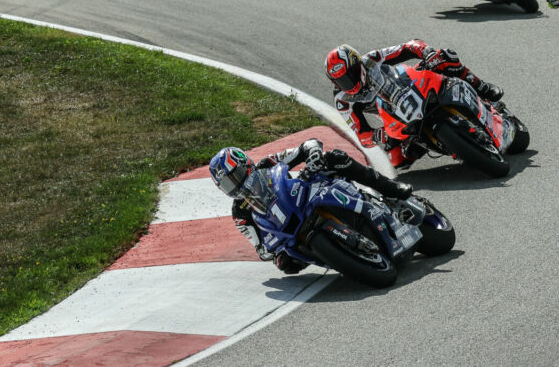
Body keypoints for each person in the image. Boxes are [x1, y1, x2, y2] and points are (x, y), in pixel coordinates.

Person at [210, 139, 412, 274]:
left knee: (334, 158)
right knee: (286, 265)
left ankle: (391, 188)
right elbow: (260, 248)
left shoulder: (268, 163)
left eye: (235, 176)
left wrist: (313, 155)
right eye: (228, 184)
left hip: (304, 196)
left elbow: (306, 146)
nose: (236, 185)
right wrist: (272, 252)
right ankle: (342, 257)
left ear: (246, 165)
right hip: (288, 230)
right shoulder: (239, 213)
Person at [326, 41, 504, 167]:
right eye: (341, 81)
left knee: (445, 57)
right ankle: (436, 144)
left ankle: (483, 87)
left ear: (357, 64)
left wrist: (426, 52)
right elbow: (361, 134)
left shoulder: (371, 59)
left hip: (408, 86)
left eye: (350, 75)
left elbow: (408, 47)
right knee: (396, 159)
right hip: (393, 119)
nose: (348, 83)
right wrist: (379, 135)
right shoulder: (343, 100)